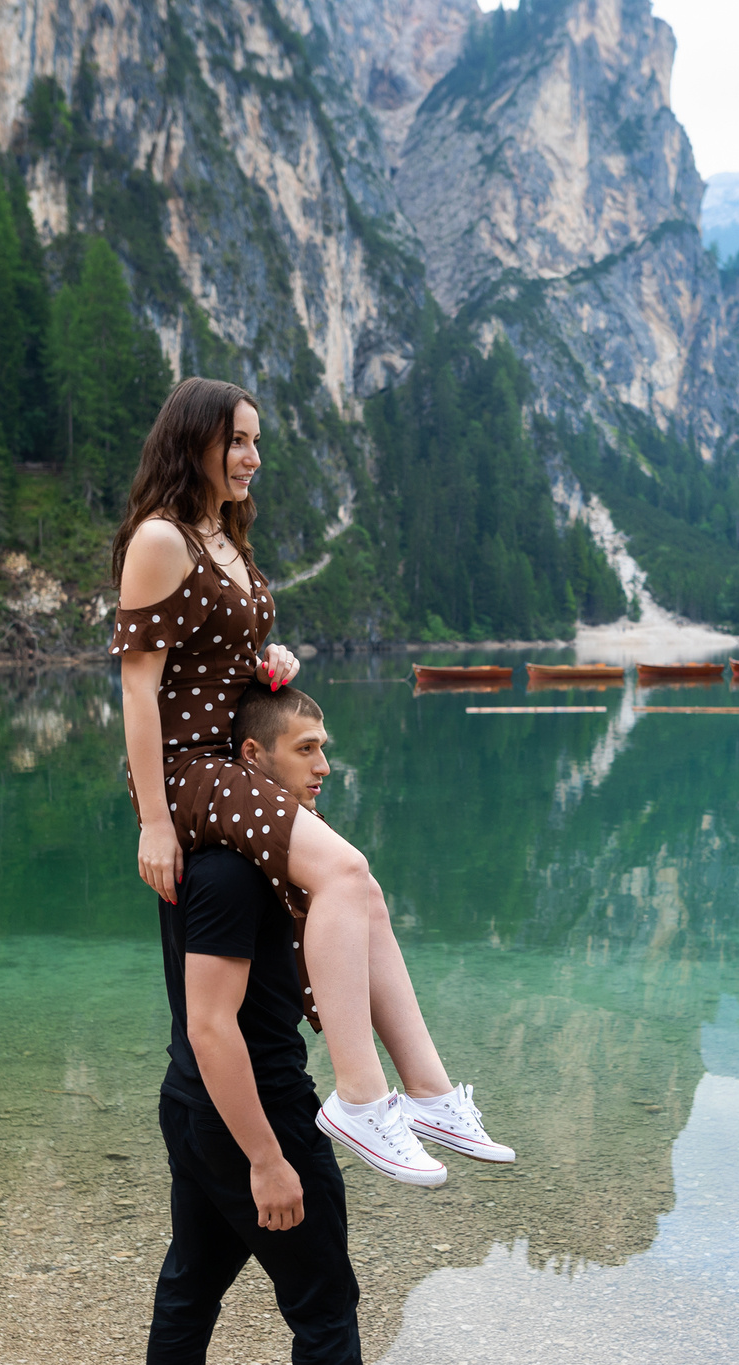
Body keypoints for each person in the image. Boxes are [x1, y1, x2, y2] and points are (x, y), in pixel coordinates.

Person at [110, 376, 511, 1182]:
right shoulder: (160, 538)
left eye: (257, 441)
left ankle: (429, 1092)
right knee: (345, 871)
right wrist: (155, 820)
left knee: (365, 892)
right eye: (237, 440)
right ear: (194, 441)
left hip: (231, 758)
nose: (253, 457)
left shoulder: (223, 534)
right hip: (192, 772)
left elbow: (208, 658)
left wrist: (265, 664)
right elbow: (139, 687)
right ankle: (360, 1098)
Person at [139, 690, 411, 1365]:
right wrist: (266, 1156)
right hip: (254, 1110)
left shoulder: (220, 856)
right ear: (252, 760)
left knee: (189, 1290)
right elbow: (211, 1026)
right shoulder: (228, 871)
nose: (324, 765)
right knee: (323, 1304)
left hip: (194, 1106)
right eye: (306, 748)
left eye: (325, 747)